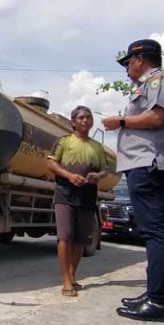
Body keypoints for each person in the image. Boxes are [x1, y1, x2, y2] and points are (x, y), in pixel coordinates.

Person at [103, 39, 164, 323]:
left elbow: (157, 118)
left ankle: (160, 301)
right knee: (153, 232)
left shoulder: (159, 80)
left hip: (150, 163)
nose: (126, 68)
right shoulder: (150, 84)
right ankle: (154, 294)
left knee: (155, 233)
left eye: (128, 63)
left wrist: (120, 121)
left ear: (140, 59)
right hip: (146, 164)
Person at [47, 105, 109, 297]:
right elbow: (50, 162)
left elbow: (105, 170)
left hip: (88, 197)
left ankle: (72, 275)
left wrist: (97, 176)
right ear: (73, 121)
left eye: (88, 117)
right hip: (64, 194)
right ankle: (66, 281)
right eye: (81, 117)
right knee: (65, 236)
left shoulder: (97, 147)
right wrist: (69, 175)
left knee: (81, 238)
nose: (85, 120)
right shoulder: (64, 142)